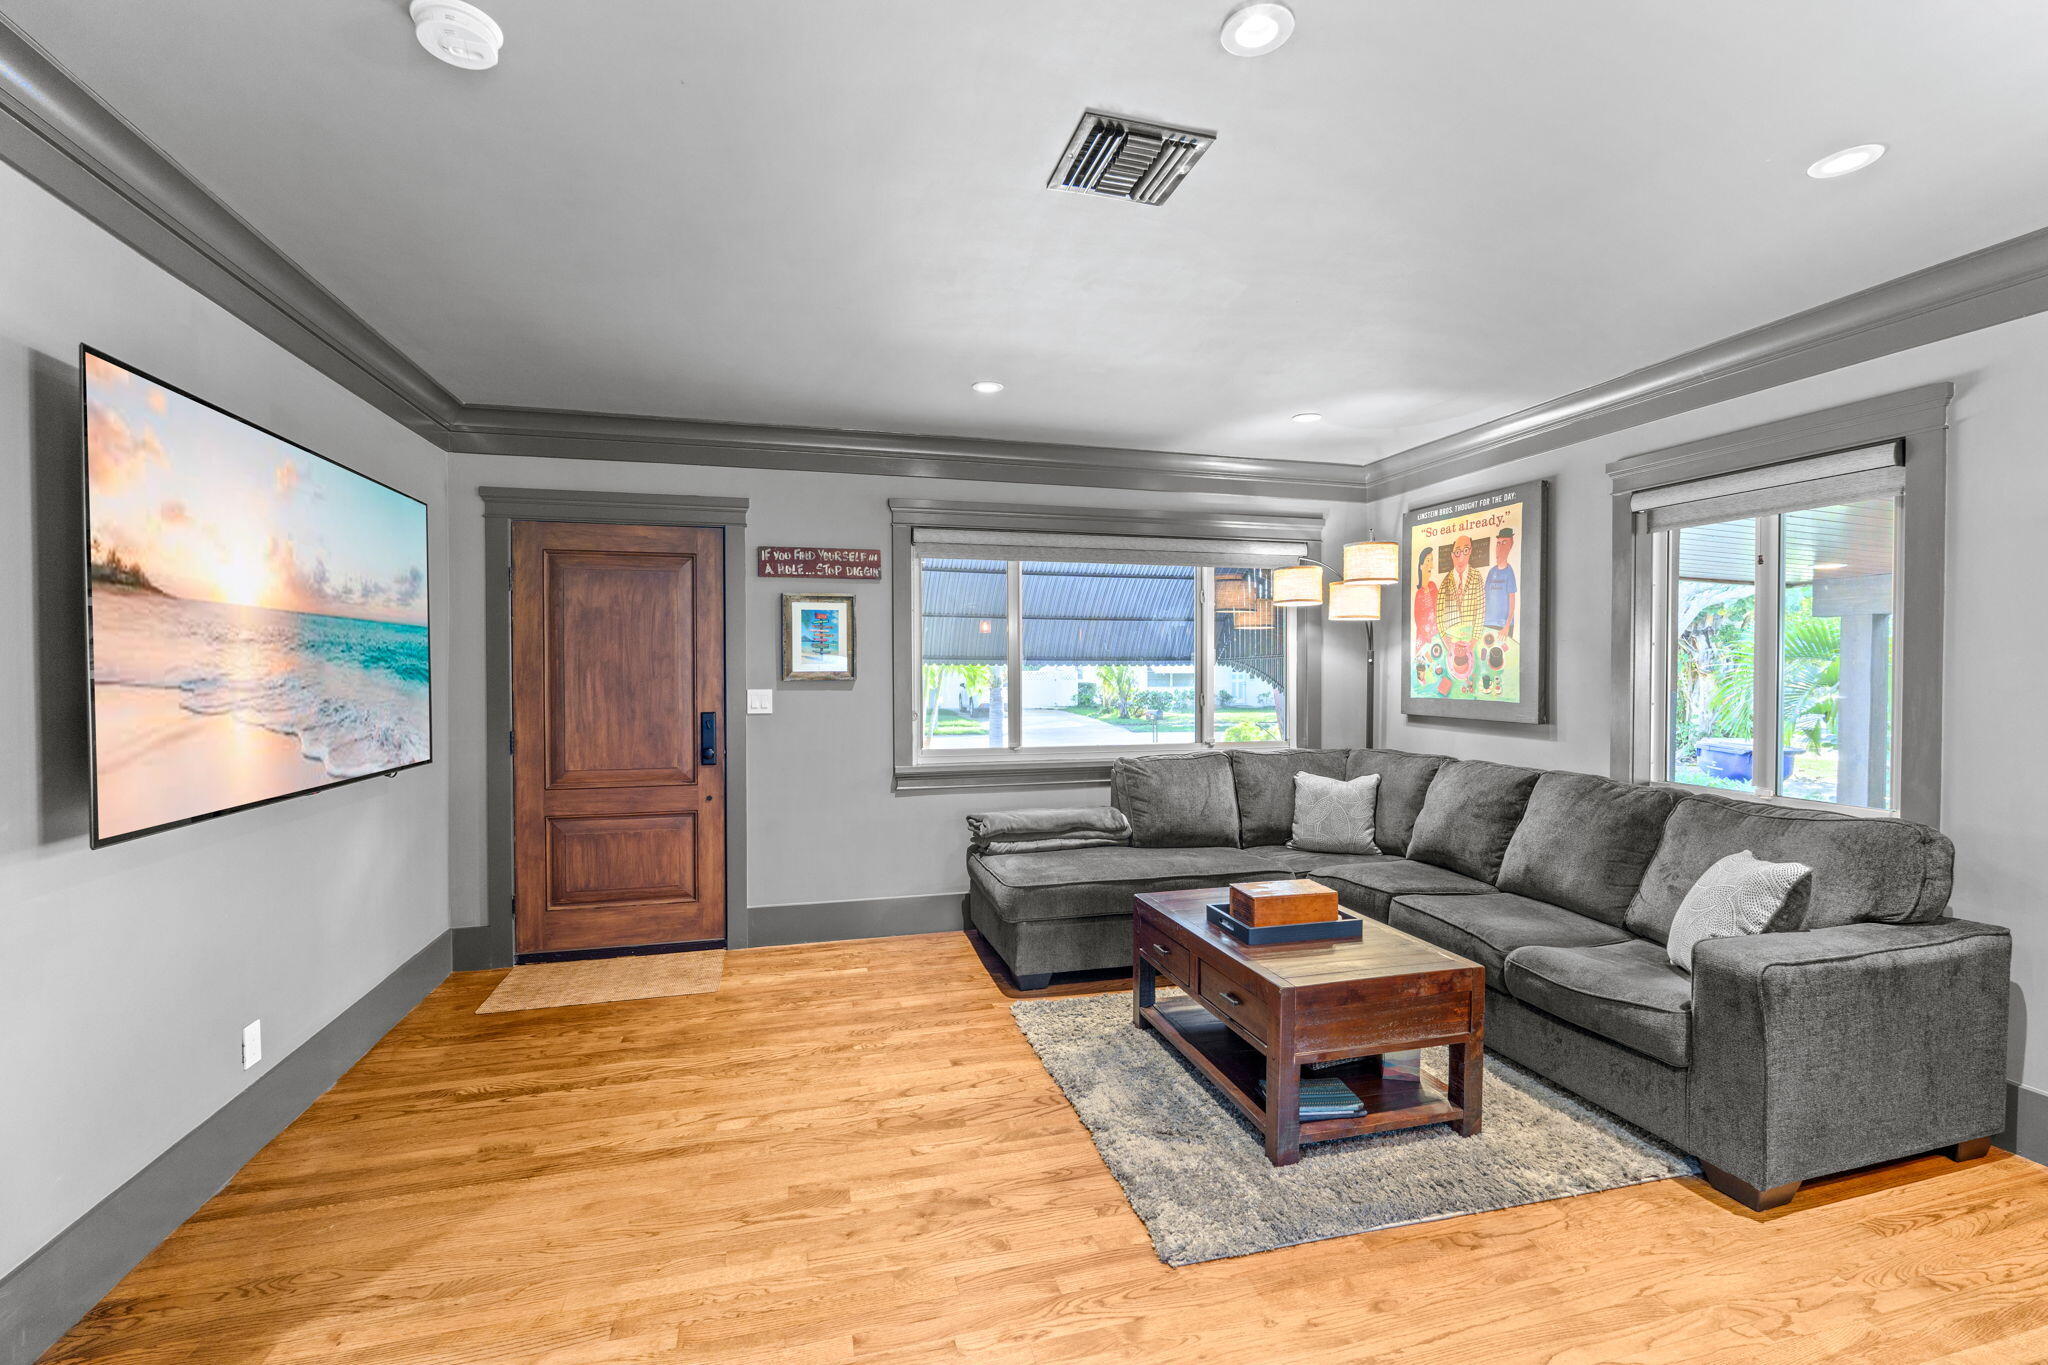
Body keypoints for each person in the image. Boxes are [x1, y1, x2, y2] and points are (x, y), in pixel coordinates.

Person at [1437, 535, 1486, 654]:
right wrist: (1446, 641)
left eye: (1466, 550)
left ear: (1470, 551)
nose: (1461, 557)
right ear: (1452, 555)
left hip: (1471, 637)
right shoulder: (1446, 582)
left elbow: (1480, 610)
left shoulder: (1476, 577)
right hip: (1452, 638)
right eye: (1458, 552)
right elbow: (1439, 615)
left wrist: (1473, 641)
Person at [1484, 526, 1518, 639]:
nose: (1500, 547)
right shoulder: (1491, 572)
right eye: (1498, 543)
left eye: (1504, 543)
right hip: (1487, 623)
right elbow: (1485, 598)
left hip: (1503, 626)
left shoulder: (1509, 572)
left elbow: (1512, 603)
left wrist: (1507, 626)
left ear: (1510, 545)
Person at [1411, 547, 1437, 644]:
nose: (1431, 566)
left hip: (1436, 635)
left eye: (1432, 561)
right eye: (1428, 561)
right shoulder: (1419, 594)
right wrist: (1427, 636)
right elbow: (1418, 619)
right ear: (1421, 566)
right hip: (1424, 639)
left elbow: (1439, 608)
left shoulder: (1433, 586)